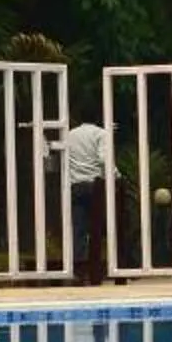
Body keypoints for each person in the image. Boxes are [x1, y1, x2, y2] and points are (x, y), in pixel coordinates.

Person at [58, 116, 114, 286]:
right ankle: (96, 270)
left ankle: (78, 270)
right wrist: (115, 175)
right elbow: (104, 159)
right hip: (94, 186)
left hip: (75, 186)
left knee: (78, 228)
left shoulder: (69, 134)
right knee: (97, 229)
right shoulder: (100, 133)